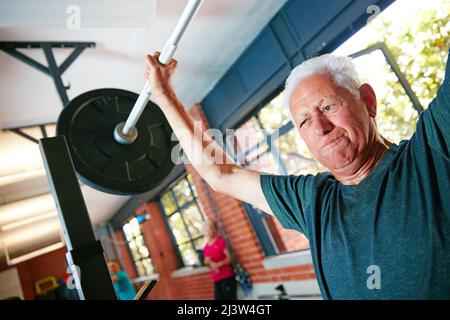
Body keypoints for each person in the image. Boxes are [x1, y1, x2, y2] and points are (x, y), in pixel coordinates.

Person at [143, 47, 450, 299]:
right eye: (303, 122)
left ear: (368, 101)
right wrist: (164, 95)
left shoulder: (433, 151)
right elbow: (221, 173)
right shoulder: (313, 202)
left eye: (328, 106)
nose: (320, 127)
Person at [201, 220, 237, 300]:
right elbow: (208, 264)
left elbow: (230, 258)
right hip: (216, 278)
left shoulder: (220, 241)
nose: (208, 232)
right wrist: (206, 262)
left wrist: (219, 264)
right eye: (206, 230)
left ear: (213, 229)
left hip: (227, 276)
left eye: (209, 229)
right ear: (203, 232)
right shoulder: (206, 247)